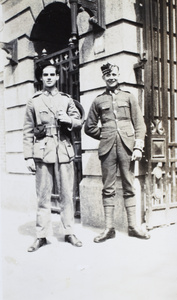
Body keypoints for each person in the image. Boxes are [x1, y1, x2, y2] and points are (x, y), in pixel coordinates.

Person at [84, 62, 150, 243]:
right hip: (107, 149)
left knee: (129, 185)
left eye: (114, 74)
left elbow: (139, 124)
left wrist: (137, 146)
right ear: (103, 78)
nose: (111, 77)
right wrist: (104, 134)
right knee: (108, 187)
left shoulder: (128, 97)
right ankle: (109, 228)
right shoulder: (98, 100)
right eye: (107, 75)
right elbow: (89, 127)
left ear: (118, 75)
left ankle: (133, 227)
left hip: (127, 147)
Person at [23, 61, 83, 252]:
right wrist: (28, 157)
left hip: (63, 150)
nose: (49, 78)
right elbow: (27, 131)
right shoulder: (34, 101)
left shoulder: (67, 100)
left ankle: (69, 232)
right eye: (45, 75)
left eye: (52, 74)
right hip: (42, 151)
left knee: (67, 194)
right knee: (43, 196)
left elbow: (79, 121)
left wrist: (69, 120)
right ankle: (41, 236)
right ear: (41, 78)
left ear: (57, 77)